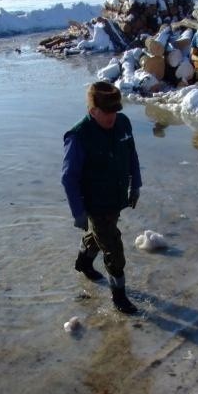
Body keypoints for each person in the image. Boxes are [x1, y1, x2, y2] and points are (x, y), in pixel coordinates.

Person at [61, 81, 142, 314]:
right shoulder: (79, 136)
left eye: (115, 111)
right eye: (106, 112)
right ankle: (119, 297)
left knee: (101, 236)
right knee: (114, 249)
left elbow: (132, 155)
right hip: (94, 203)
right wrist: (78, 212)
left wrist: (135, 185)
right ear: (92, 111)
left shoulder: (123, 124)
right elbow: (68, 178)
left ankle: (84, 262)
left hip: (116, 197)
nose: (112, 117)